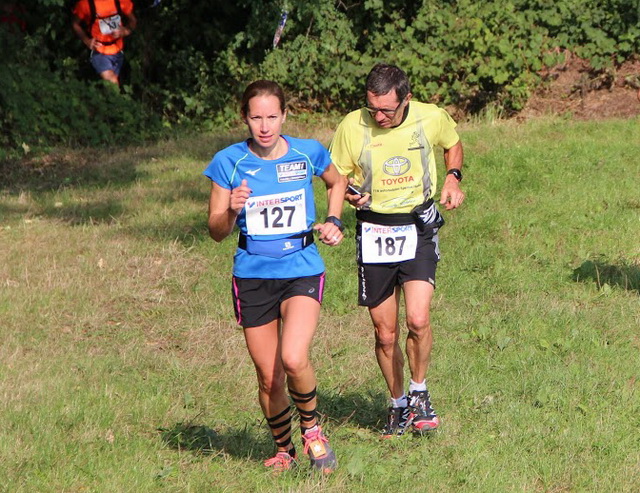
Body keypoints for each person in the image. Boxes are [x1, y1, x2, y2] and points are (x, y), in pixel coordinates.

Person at [204, 80, 347, 472]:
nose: (265, 126)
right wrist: (231, 210)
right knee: (269, 378)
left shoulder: (307, 152)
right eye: (256, 117)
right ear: (244, 119)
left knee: (294, 356)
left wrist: (334, 220)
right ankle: (284, 449)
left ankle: (313, 432)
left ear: (284, 115)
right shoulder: (227, 162)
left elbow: (337, 182)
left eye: (272, 116)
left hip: (301, 267)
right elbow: (216, 231)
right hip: (252, 275)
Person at [329, 63, 465, 437]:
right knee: (384, 333)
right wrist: (348, 199)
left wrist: (453, 177)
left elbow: (453, 144)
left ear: (407, 98)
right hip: (374, 231)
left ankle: (420, 394)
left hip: (418, 227)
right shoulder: (351, 126)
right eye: (373, 109)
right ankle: (398, 403)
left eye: (388, 109)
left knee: (418, 320)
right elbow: (335, 175)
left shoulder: (429, 117)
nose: (380, 116)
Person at [72, 0, 136, 85]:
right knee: (112, 83)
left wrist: (125, 31)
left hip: (118, 50)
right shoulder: (85, 4)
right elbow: (75, 24)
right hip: (99, 51)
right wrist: (86, 40)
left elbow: (133, 21)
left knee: (110, 85)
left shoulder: (121, 1)